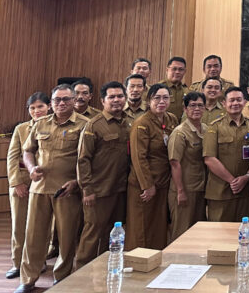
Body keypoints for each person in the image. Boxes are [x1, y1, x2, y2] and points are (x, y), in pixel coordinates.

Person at [15, 84, 89, 293]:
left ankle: (61, 277)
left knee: (66, 237)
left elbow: (88, 158)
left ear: (74, 101)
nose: (61, 103)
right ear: (52, 103)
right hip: (39, 188)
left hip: (67, 190)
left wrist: (77, 182)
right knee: (33, 236)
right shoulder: (40, 123)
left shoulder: (84, 124)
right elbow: (28, 151)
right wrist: (31, 168)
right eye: (57, 100)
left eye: (66, 99)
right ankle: (28, 279)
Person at [75, 81, 130, 268]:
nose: (116, 100)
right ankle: (80, 274)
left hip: (120, 189)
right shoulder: (94, 125)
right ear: (102, 101)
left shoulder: (127, 123)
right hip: (98, 191)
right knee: (92, 233)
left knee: (113, 234)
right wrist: (87, 189)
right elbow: (83, 160)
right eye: (111, 97)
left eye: (120, 96)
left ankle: (104, 271)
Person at [126, 84, 178, 250]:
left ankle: (156, 260)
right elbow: (138, 157)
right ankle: (137, 261)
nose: (161, 101)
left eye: (165, 98)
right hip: (144, 186)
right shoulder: (142, 123)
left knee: (159, 227)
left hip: (163, 182)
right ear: (148, 101)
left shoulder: (171, 119)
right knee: (142, 228)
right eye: (157, 98)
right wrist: (147, 185)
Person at [5, 92, 50, 280]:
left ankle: (39, 262)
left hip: (45, 181)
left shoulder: (52, 126)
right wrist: (16, 182)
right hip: (22, 180)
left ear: (49, 107)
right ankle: (17, 263)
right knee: (19, 224)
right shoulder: (21, 129)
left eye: (40, 107)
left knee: (41, 225)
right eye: (32, 108)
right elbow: (12, 157)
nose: (36, 111)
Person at [204, 87, 249, 222]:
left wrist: (246, 177)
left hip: (246, 191)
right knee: (219, 233)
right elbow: (209, 159)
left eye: (239, 100)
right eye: (231, 100)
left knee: (244, 231)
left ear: (245, 102)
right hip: (220, 192)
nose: (235, 103)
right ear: (224, 103)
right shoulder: (214, 127)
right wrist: (233, 181)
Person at [168, 92, 208, 240]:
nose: (197, 109)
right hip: (185, 189)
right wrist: (180, 191)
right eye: (192, 105)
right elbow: (174, 163)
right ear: (185, 109)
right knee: (181, 232)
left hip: (200, 188)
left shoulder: (206, 129)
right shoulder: (179, 133)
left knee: (198, 232)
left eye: (200, 105)